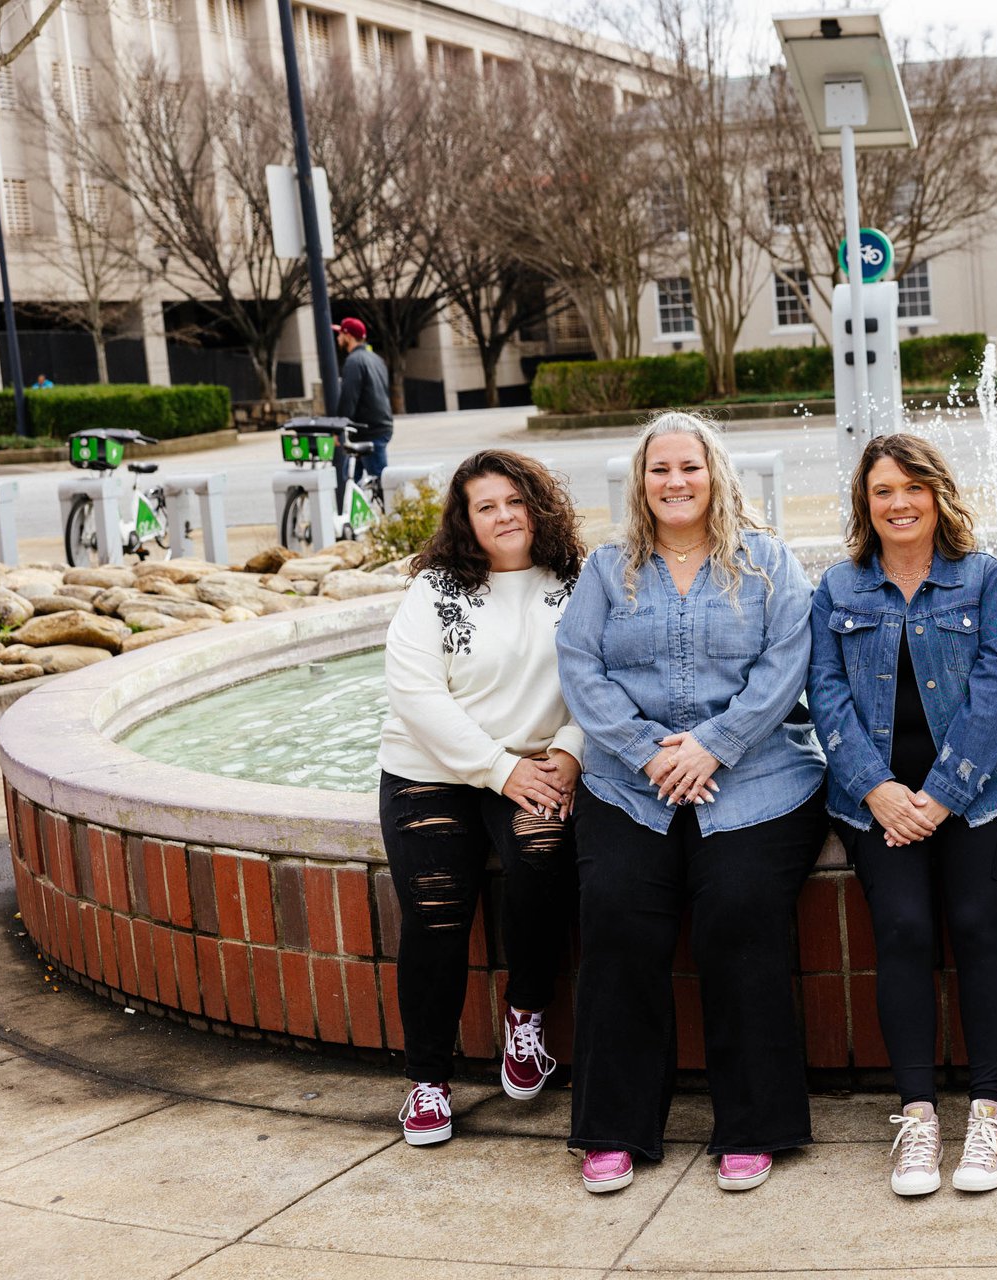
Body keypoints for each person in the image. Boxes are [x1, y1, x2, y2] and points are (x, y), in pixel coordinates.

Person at [557, 412, 825, 1196]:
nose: (675, 482)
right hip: (628, 782)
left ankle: (753, 1125)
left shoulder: (768, 562)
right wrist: (647, 751)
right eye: (660, 469)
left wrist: (716, 744)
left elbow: (787, 664)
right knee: (614, 910)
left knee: (738, 910)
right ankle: (614, 1128)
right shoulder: (607, 569)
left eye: (690, 467)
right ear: (641, 482)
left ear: (717, 475)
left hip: (757, 780)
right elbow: (579, 665)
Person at [809, 434, 997, 1198]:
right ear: (865, 504)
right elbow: (824, 695)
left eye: (914, 487)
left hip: (979, 793)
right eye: (883, 491)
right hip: (877, 802)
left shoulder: (984, 579)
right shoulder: (839, 588)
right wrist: (874, 788)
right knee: (903, 927)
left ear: (938, 494)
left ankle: (987, 1111)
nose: (899, 503)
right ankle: (917, 1116)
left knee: (975, 921)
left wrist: (940, 796)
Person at [378, 449, 587, 1147]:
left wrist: (570, 750)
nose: (504, 516)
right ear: (465, 521)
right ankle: (428, 1080)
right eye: (486, 506)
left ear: (539, 504)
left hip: (536, 762)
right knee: (436, 907)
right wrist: (498, 770)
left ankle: (526, 1016)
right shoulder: (434, 589)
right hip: (432, 769)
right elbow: (416, 697)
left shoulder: (578, 582)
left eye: (515, 501)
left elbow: (608, 677)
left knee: (543, 851)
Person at [333, 316, 392, 481]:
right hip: (377, 427)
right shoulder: (376, 359)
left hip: (368, 431)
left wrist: (338, 429)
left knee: (379, 481)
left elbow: (349, 397)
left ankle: (384, 499)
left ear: (348, 336)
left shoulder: (354, 361)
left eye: (340, 334)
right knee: (351, 477)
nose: (338, 338)